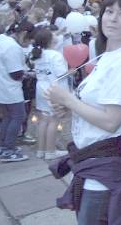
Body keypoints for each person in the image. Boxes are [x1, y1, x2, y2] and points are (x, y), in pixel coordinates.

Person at [46, 0, 121, 225]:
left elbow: (112, 121)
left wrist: (69, 100)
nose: (113, 18)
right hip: (91, 163)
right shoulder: (107, 56)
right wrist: (69, 107)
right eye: (109, 11)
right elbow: (99, 105)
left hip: (104, 168)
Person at [0, 22, 30, 162]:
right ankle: (8, 150)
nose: (28, 44)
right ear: (24, 35)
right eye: (28, 41)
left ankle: (3, 145)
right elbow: (15, 73)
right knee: (18, 116)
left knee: (7, 117)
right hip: (9, 88)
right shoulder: (12, 47)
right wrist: (27, 74)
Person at [29, 28, 69, 160]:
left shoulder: (38, 54)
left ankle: (41, 150)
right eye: (53, 35)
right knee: (54, 120)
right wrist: (72, 71)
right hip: (54, 89)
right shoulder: (55, 55)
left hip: (41, 88)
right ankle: (51, 151)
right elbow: (61, 73)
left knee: (43, 119)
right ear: (51, 40)